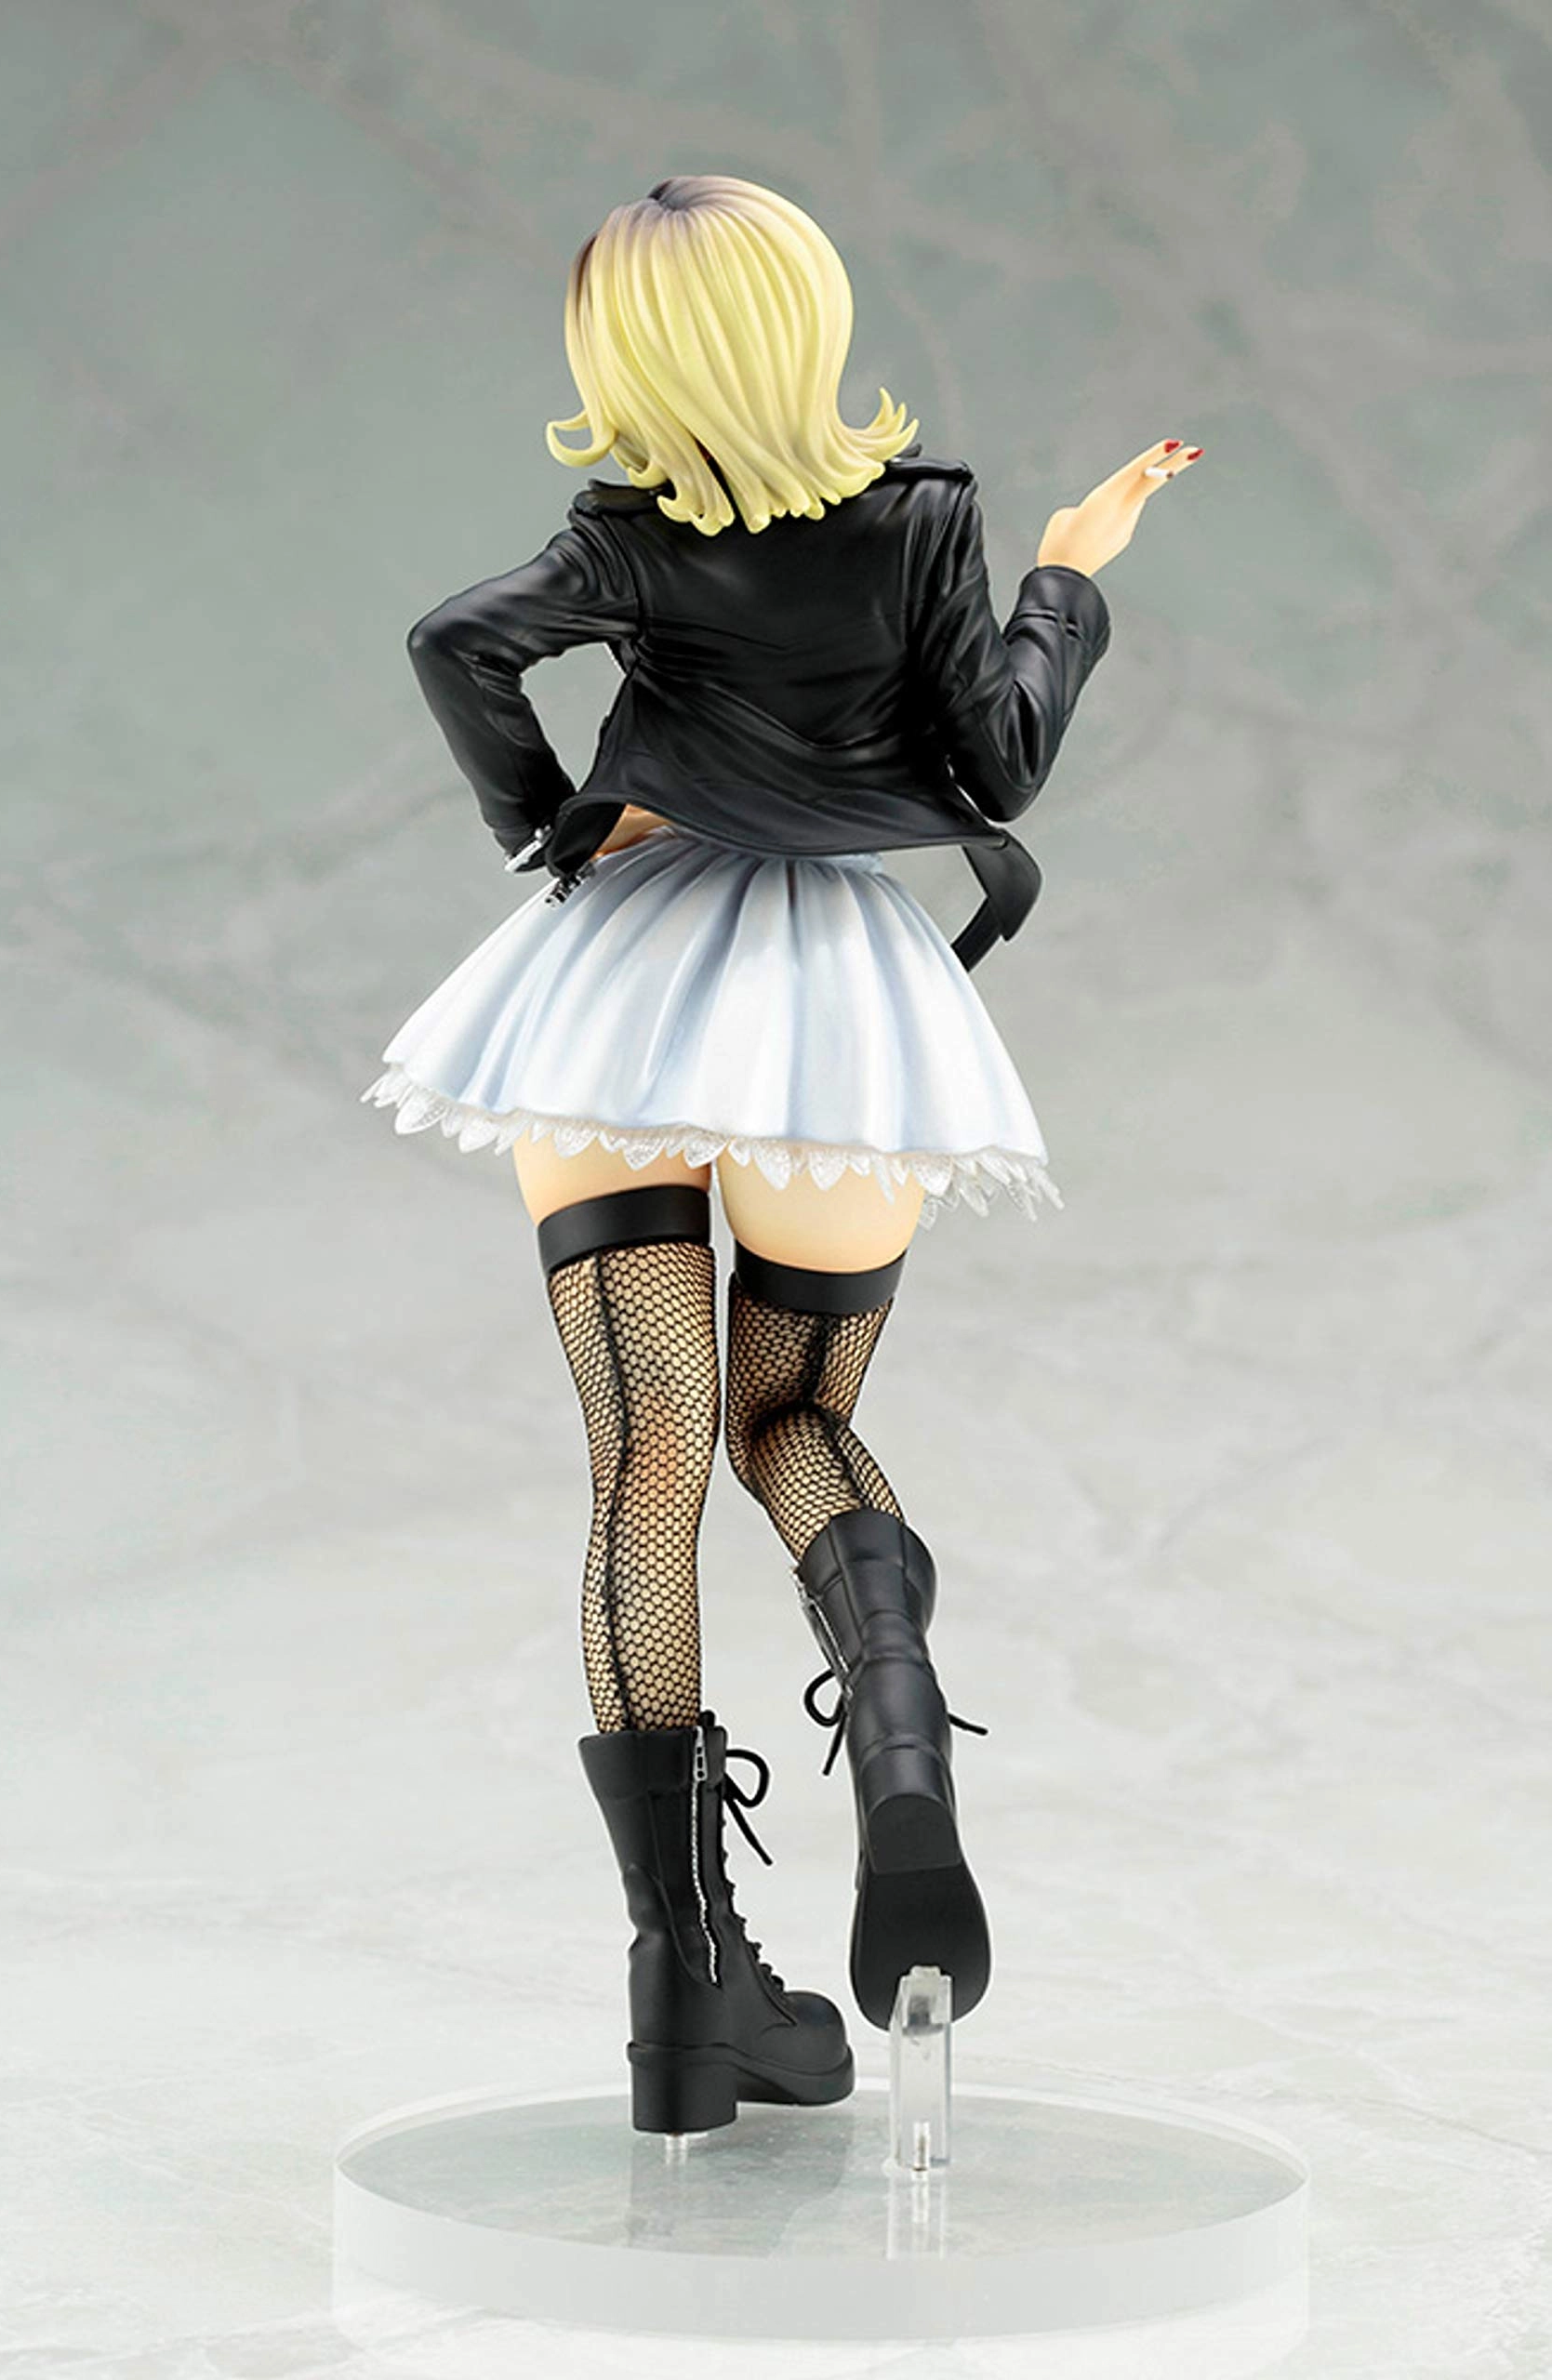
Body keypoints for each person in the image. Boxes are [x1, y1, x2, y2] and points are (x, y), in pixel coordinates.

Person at [361, 173, 1202, 2135]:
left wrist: (552, 826)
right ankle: (897, 1733)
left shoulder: (623, 534)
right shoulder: (922, 519)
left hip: (620, 996)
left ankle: (684, 1976)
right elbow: (995, 764)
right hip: (832, 1012)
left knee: (642, 1454)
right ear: (802, 322)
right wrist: (1067, 576)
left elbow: (453, 642)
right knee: (792, 1417)